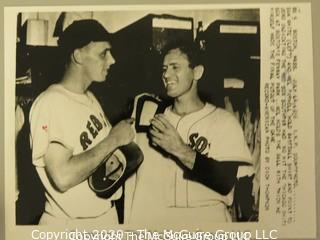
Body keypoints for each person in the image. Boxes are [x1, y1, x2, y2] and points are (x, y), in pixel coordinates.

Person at [125, 41, 253, 225]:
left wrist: (179, 149)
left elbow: (226, 182)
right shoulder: (150, 117)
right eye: (164, 68)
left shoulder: (224, 122)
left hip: (207, 223)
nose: (166, 74)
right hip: (161, 223)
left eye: (175, 67)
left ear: (197, 72)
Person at [29, 19, 135, 226]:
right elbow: (62, 177)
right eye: (103, 53)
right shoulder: (51, 102)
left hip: (103, 218)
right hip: (70, 226)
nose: (112, 60)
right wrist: (114, 139)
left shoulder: (90, 97)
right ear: (78, 56)